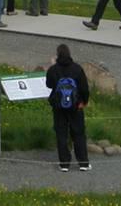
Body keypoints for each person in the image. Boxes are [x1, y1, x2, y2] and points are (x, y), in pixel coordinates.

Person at [45, 44, 91, 172]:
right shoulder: (77, 69)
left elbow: (48, 84)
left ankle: (64, 164)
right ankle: (83, 163)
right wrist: (84, 102)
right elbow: (84, 88)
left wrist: (53, 65)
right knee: (79, 133)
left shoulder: (54, 69)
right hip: (76, 106)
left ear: (57, 55)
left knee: (61, 134)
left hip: (58, 107)